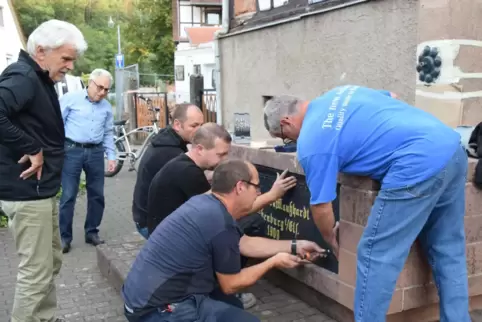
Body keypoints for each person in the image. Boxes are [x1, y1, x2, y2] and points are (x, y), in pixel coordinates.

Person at [263, 85, 469, 322]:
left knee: (375, 254)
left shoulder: (311, 141)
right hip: (452, 148)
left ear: (286, 122)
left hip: (417, 164)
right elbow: (393, 96)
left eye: (283, 136)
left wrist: (332, 240)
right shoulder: (340, 92)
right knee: (448, 249)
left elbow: (320, 205)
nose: (288, 140)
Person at [122, 159, 325, 322]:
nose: (260, 193)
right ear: (240, 187)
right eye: (256, 187)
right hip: (158, 310)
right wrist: (273, 261)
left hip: (140, 298)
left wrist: (293, 246)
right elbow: (232, 283)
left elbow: (244, 243)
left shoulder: (206, 203)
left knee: (232, 305)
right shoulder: (219, 222)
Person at [146, 122, 297, 309]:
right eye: (221, 154)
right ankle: (225, 281)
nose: (224, 159)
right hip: (173, 255)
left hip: (160, 241)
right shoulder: (189, 174)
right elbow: (230, 209)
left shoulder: (182, 164)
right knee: (250, 223)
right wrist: (272, 195)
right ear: (200, 149)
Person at [0, 19, 87, 322]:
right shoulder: (23, 75)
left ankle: (45, 319)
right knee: (35, 273)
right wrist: (32, 147)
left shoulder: (36, 77)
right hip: (26, 191)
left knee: (50, 263)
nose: (70, 66)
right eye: (65, 58)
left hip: (40, 190)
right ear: (41, 51)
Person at [59, 68, 116, 253]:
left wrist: (112, 156)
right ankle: (64, 237)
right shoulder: (70, 99)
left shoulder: (106, 107)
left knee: (97, 194)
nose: (102, 92)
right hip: (72, 151)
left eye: (106, 89)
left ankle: (92, 232)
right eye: (100, 87)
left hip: (96, 152)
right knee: (68, 195)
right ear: (90, 83)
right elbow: (57, 125)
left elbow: (108, 133)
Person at [132, 103, 204, 238]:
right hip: (150, 225)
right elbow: (202, 195)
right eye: (194, 126)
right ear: (177, 125)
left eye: (202, 125)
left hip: (145, 217)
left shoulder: (167, 140)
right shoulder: (170, 153)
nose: (200, 131)